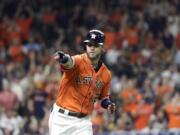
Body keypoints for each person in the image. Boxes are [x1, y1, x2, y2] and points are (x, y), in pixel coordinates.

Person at [49, 29, 116, 135]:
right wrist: (63, 58)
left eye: (96, 45)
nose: (92, 48)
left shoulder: (106, 74)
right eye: (89, 44)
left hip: (83, 122)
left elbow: (103, 97)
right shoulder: (79, 61)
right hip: (62, 119)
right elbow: (70, 62)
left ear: (102, 48)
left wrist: (108, 104)